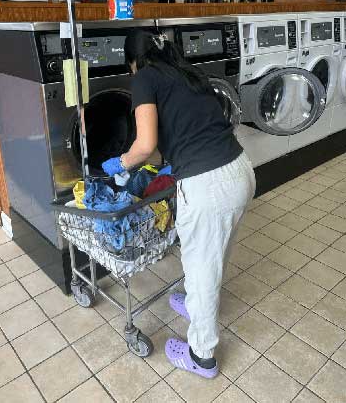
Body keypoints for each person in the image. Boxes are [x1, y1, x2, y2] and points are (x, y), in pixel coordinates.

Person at [102, 29, 256, 379]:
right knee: (215, 253)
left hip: (208, 186)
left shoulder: (144, 78)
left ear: (133, 62)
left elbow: (144, 146)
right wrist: (146, 159)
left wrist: (121, 163)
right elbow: (162, 145)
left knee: (201, 266)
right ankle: (195, 303)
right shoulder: (187, 72)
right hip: (240, 169)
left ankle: (202, 356)